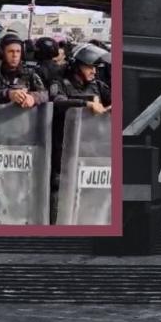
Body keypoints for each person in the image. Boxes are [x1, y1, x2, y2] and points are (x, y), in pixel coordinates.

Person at [48, 43, 111, 223]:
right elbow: (58, 102)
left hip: (91, 153)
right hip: (63, 153)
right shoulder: (59, 82)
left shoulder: (98, 86)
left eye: (95, 67)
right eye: (89, 66)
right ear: (77, 67)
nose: (94, 71)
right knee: (59, 196)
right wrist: (86, 105)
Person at [0, 32, 48, 108]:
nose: (15, 55)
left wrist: (33, 97)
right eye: (11, 51)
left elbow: (45, 94)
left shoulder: (28, 72)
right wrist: (8, 94)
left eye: (18, 51)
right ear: (2, 53)